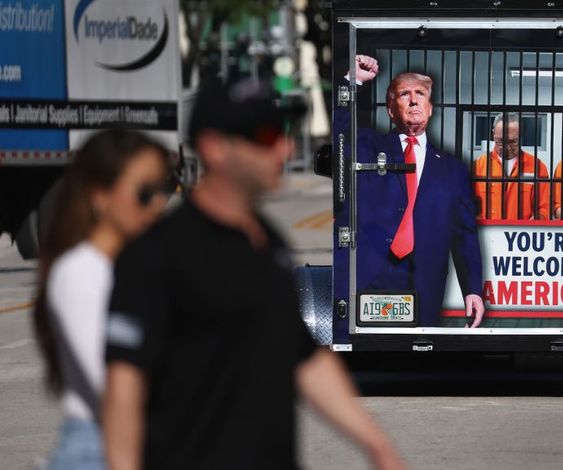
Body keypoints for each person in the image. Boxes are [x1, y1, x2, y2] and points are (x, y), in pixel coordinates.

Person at [102, 79, 407, 470]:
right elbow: (123, 389)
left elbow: (305, 359)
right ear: (214, 147)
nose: (284, 148)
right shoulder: (156, 256)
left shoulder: (267, 243)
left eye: (282, 134)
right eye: (264, 136)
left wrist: (377, 446)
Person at [32, 130, 170, 470]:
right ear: (100, 195)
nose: (158, 204)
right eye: (144, 192)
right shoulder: (80, 272)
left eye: (164, 190)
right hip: (101, 451)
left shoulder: (140, 266)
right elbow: (115, 385)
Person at [334, 55, 484, 328]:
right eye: (404, 94)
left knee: (421, 359)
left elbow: (464, 234)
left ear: (430, 108)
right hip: (371, 274)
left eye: (421, 94)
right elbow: (341, 130)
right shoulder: (368, 146)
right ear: (391, 110)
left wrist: (472, 289)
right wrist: (352, 81)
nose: (414, 100)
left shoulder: (453, 170)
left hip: (425, 279)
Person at [472, 113, 550, 220]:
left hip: (520, 235)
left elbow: (544, 208)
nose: (506, 148)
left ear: (521, 135)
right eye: (500, 142)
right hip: (486, 235)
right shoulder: (477, 167)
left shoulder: (538, 168)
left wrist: (533, 223)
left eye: (513, 142)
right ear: (493, 134)